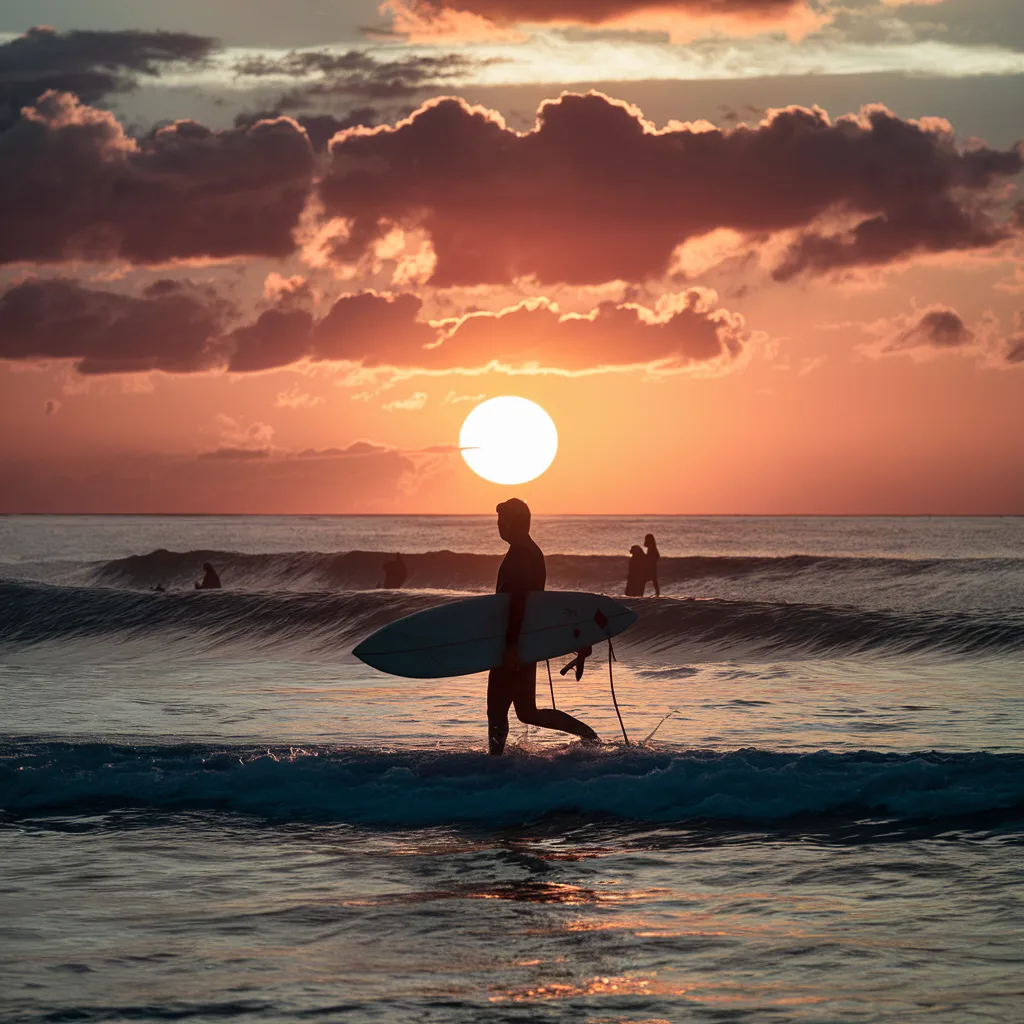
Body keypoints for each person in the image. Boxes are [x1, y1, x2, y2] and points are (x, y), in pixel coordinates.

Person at [487, 497, 599, 756]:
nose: (498, 525)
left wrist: (512, 645)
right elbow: (538, 604)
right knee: (527, 712)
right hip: (526, 641)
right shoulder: (529, 551)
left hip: (516, 641)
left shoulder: (522, 554)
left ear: (514, 521)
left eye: (502, 520)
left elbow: (519, 600)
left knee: (497, 710)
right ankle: (589, 736)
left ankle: (494, 764)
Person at [644, 533, 661, 597]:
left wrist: (651, 562)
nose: (645, 540)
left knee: (652, 579)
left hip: (652, 567)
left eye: (646, 539)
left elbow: (657, 556)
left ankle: (657, 594)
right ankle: (657, 594)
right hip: (652, 566)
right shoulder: (652, 547)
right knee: (654, 580)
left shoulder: (652, 548)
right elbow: (657, 556)